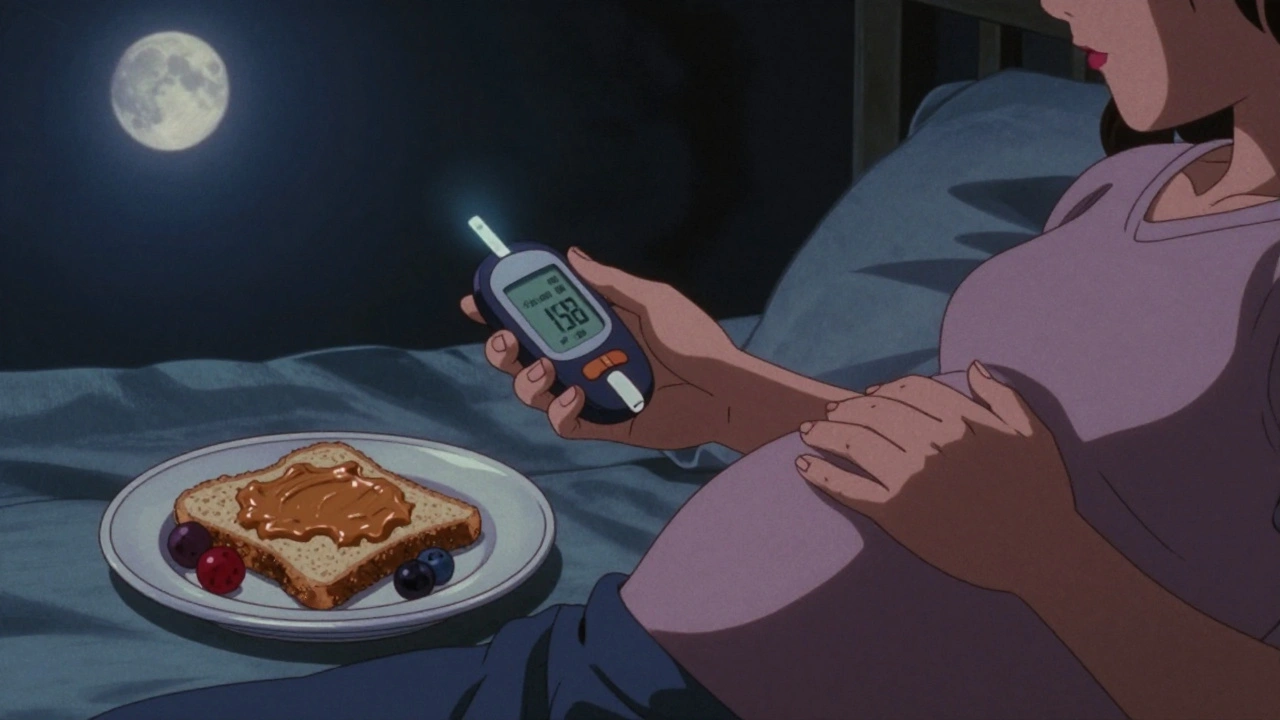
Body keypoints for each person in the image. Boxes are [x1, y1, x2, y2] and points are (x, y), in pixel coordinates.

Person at [98, 0, 1280, 718]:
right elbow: (952, 462)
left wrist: (1047, 559)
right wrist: (726, 394)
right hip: (607, 660)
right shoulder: (1138, 180)